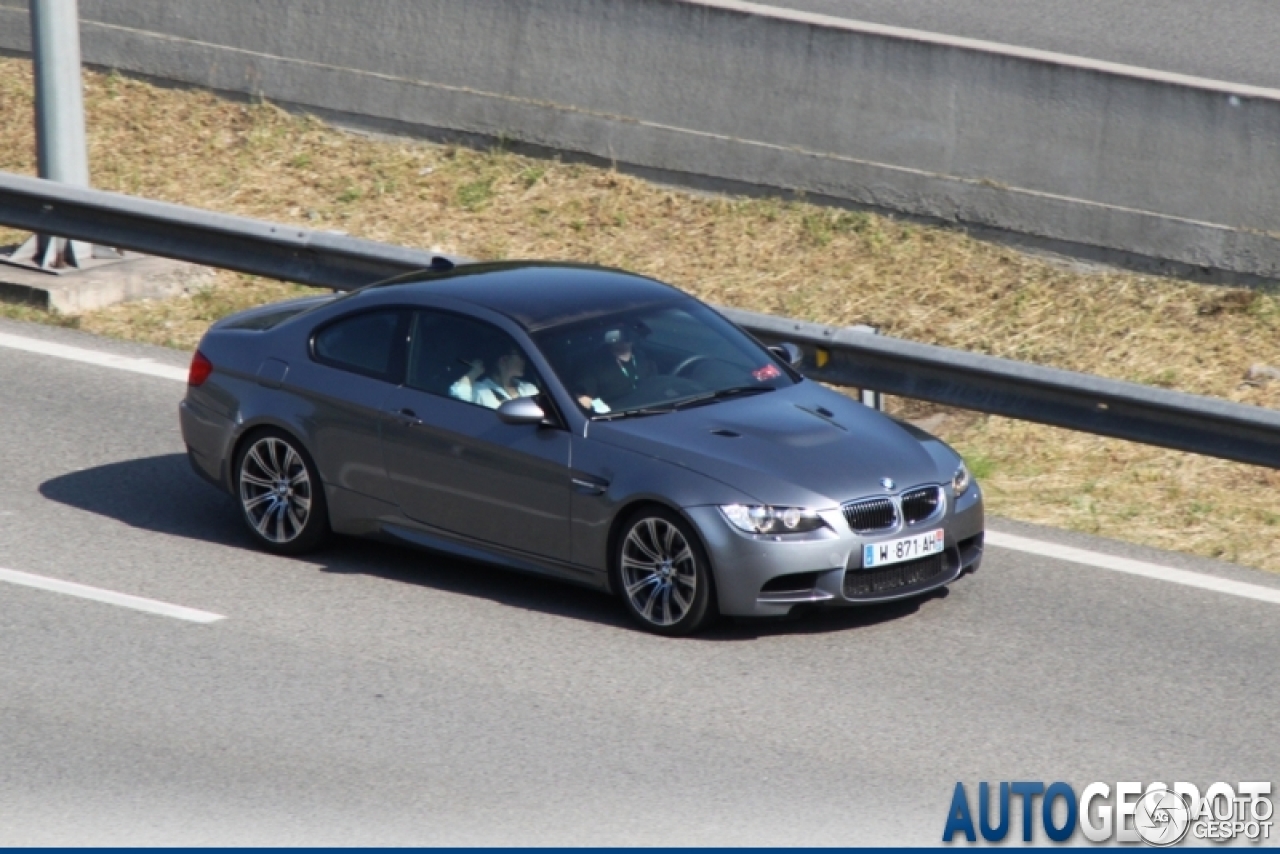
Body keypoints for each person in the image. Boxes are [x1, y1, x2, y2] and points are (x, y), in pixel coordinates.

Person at [576, 327, 655, 412]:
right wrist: (602, 411)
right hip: (616, 415)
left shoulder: (643, 359)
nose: (625, 337)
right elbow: (582, 397)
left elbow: (656, 385)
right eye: (620, 334)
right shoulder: (596, 365)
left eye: (628, 334)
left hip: (650, 409)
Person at [450, 347, 539, 409]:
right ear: (503, 360)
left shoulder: (529, 388)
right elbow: (458, 396)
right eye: (520, 356)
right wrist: (474, 373)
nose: (524, 360)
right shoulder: (481, 391)